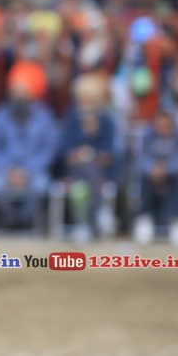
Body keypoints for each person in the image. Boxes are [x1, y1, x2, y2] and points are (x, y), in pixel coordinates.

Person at [0, 61, 59, 230]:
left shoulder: (45, 117)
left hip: (34, 171)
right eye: (15, 92)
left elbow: (47, 150)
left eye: (23, 92)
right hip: (5, 170)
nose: (19, 97)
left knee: (41, 185)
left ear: (33, 93)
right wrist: (9, 170)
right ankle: (8, 220)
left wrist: (27, 171)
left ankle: (27, 221)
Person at [57, 74, 117, 241]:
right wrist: (82, 155)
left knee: (88, 172)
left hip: (100, 170)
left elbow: (109, 154)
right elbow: (65, 151)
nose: (85, 102)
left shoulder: (106, 121)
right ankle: (99, 213)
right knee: (85, 170)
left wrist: (89, 154)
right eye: (82, 98)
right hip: (74, 170)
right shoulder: (71, 119)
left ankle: (84, 225)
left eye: (89, 98)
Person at [133, 109, 178, 245]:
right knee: (143, 179)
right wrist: (152, 168)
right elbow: (140, 157)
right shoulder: (147, 135)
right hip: (150, 175)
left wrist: (166, 169)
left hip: (173, 175)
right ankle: (145, 218)